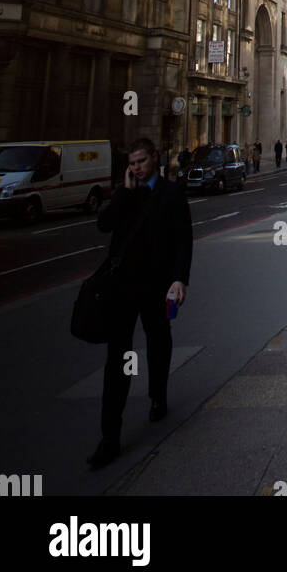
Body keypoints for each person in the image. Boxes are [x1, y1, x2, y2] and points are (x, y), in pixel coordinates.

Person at [87, 137, 192, 470]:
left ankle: (158, 393)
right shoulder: (126, 195)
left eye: (141, 162)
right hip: (122, 289)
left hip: (156, 286)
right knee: (116, 359)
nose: (136, 167)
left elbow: (183, 240)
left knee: (158, 340)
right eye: (131, 163)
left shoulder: (172, 193)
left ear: (154, 159)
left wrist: (179, 279)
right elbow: (103, 225)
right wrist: (123, 191)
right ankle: (110, 437)